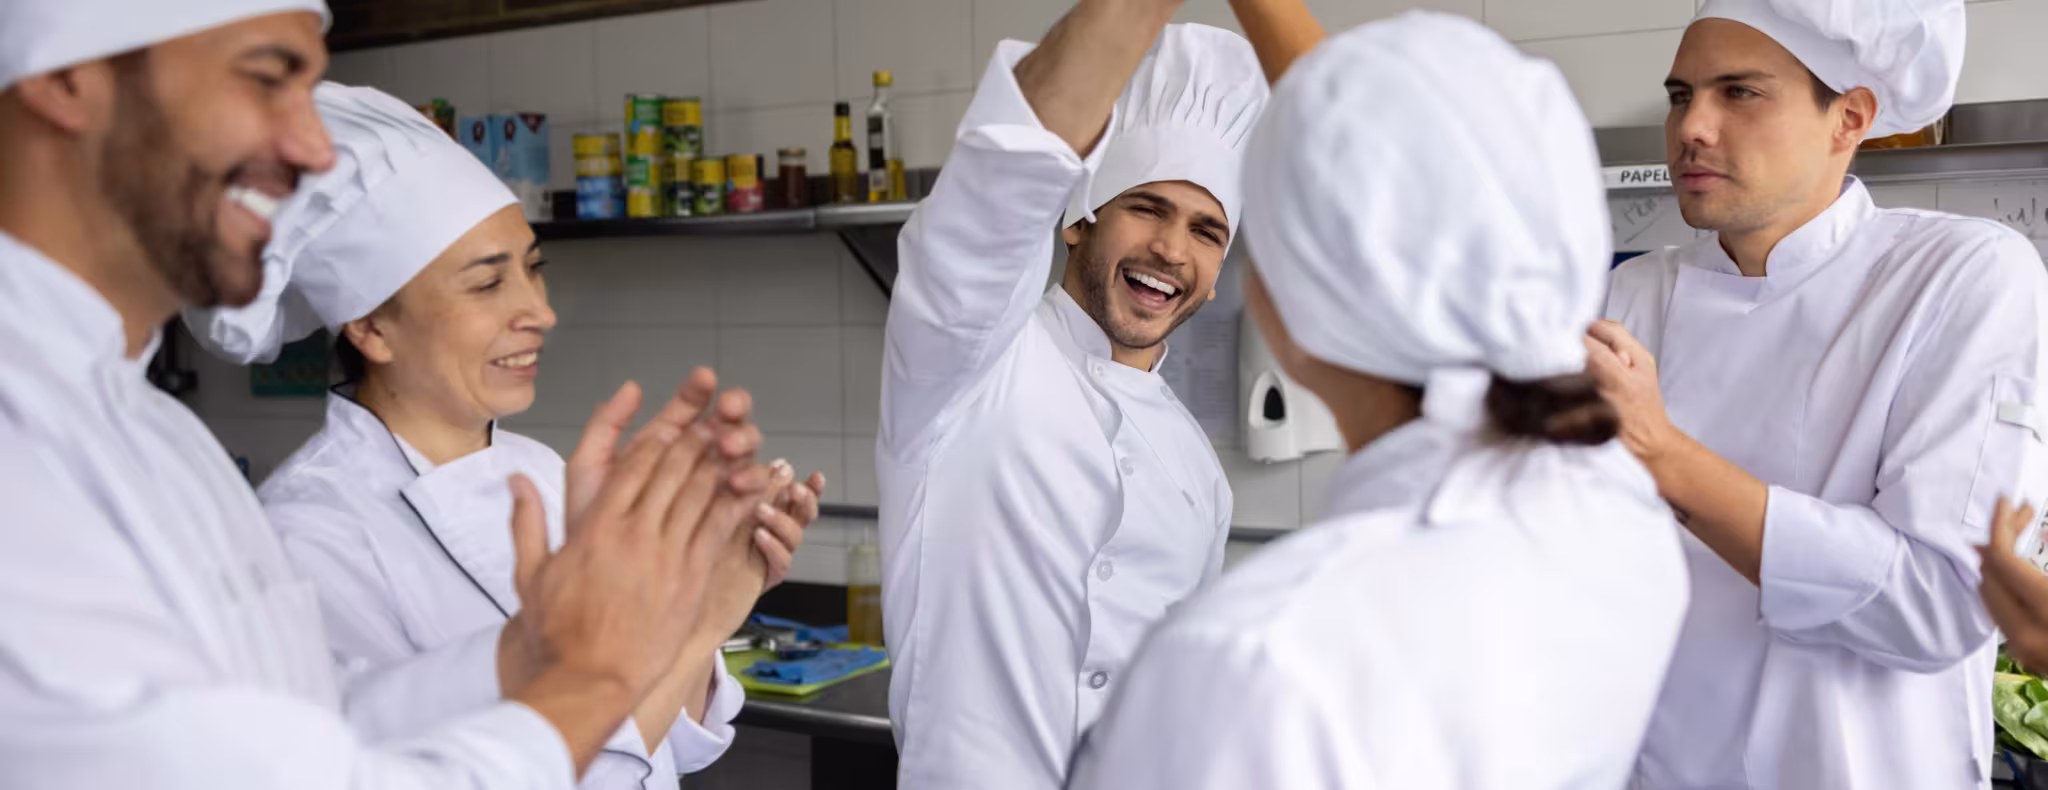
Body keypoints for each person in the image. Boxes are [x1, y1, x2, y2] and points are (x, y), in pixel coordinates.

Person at [0, 3, 778, 787]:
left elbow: (320, 728)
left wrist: (549, 646)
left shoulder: (159, 440)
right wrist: (597, 678)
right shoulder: (26, 448)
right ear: (71, 78)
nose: (309, 150)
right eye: (266, 78)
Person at [1068, 11, 1690, 789]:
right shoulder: (1622, 515)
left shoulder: (1260, 660)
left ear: (1281, 310)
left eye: (1215, 230)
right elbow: (1406, 173)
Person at [183, 83, 826, 789]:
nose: (540, 312)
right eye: (487, 284)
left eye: (533, 269)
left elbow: (666, 746)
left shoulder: (540, 470)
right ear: (370, 327)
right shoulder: (310, 537)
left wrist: (713, 594)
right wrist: (703, 621)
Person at [1590, 0, 2048, 786]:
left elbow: (1939, 604)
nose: (1691, 126)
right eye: (1679, 95)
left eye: (1739, 92)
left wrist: (1663, 455)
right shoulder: (1633, 291)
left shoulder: (1962, 275)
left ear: (1850, 118)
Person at [875, 0, 1267, 785]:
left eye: (1205, 230)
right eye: (1147, 207)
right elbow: (991, 198)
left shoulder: (1199, 475)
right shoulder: (965, 366)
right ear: (1078, 219)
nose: (1171, 248)